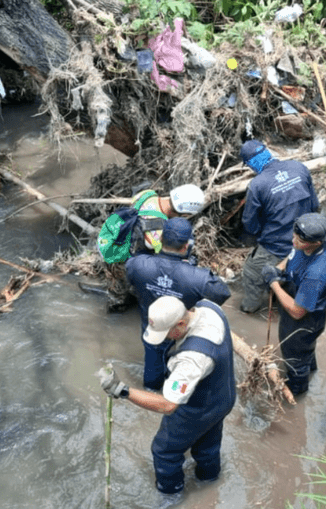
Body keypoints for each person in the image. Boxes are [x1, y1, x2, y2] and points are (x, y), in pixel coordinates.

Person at [98, 296, 236, 495]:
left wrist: (122, 390)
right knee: (208, 445)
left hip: (199, 407)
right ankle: (209, 482)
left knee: (164, 451)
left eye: (167, 333)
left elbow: (168, 405)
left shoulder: (192, 359)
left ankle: (171, 495)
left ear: (180, 323)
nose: (164, 339)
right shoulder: (210, 307)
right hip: (223, 396)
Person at [126, 217, 231, 390]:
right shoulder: (199, 278)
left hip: (153, 327)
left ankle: (151, 392)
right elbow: (222, 294)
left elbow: (131, 277)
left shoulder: (138, 265)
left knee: (152, 372)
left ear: (160, 240)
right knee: (182, 371)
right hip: (182, 332)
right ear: (186, 246)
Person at [238, 140, 319, 315]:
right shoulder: (298, 167)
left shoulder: (257, 185)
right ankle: (288, 295)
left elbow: (250, 224)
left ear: (251, 163)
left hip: (277, 246)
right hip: (306, 240)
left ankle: (250, 308)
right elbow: (314, 205)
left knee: (252, 272)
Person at [262, 212, 326, 395]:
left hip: (305, 322)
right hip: (299, 294)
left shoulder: (316, 274)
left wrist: (274, 283)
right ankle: (310, 368)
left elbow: (297, 311)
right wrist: (278, 270)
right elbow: (293, 254)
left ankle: (297, 389)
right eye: (294, 235)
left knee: (295, 355)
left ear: (316, 243)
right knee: (305, 352)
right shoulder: (314, 232)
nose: (293, 241)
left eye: (300, 240)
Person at [105, 183, 206, 314]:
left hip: (116, 240)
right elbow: (164, 255)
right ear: (182, 212)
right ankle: (117, 307)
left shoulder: (148, 194)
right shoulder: (156, 226)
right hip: (122, 259)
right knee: (119, 298)